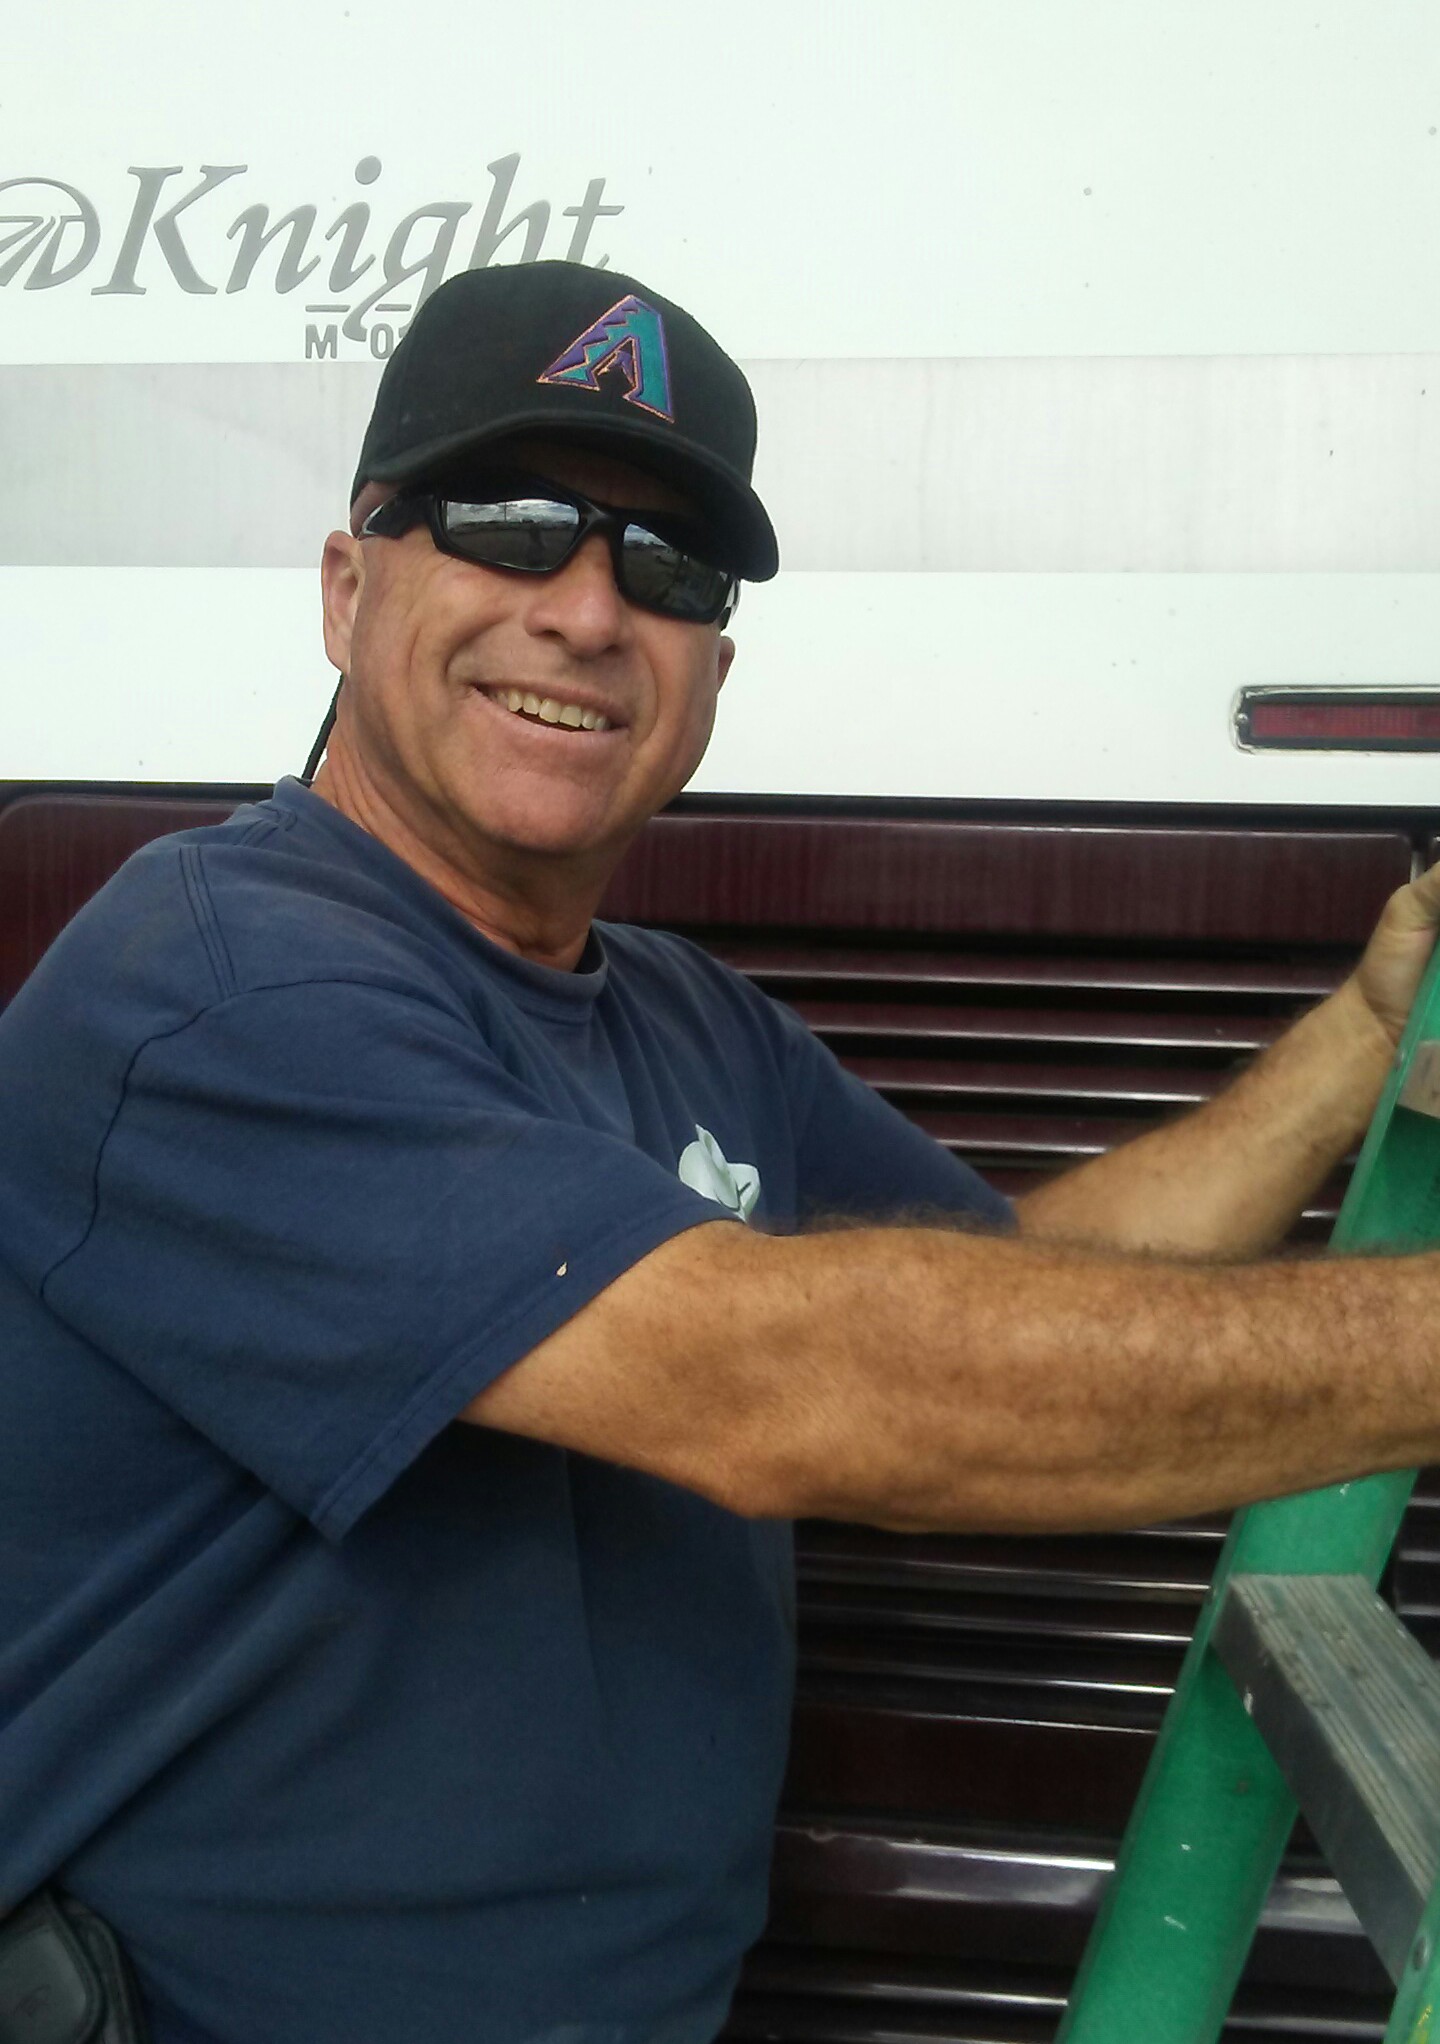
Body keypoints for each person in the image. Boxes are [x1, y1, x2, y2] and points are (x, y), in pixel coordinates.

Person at [1, 259, 1438, 2044]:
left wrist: (1358, 1039)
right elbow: (795, 1388)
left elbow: (1027, 1296)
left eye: (668, 567)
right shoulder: (207, 986)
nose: (588, 611)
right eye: (511, 524)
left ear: (713, 675)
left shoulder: (689, 1022)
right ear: (347, 589)